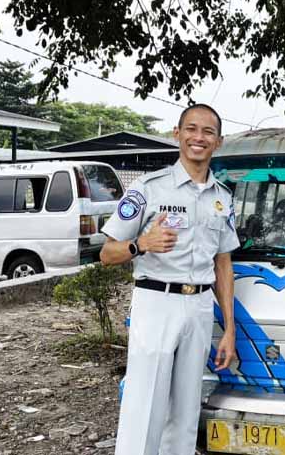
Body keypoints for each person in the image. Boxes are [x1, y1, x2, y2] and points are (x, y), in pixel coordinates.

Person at [99, 104, 239, 454]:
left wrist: (230, 330)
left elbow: (223, 264)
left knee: (187, 410)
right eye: (191, 129)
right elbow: (107, 254)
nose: (199, 137)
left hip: (199, 307)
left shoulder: (222, 198)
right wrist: (141, 243)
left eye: (208, 132)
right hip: (156, 302)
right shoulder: (149, 188)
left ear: (218, 142)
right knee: (144, 406)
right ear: (177, 135)